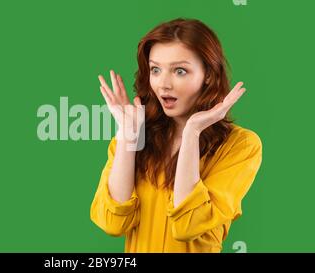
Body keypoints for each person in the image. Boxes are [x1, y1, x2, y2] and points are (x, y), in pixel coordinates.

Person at [90, 18, 263, 253]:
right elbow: (112, 223)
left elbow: (187, 225)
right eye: (155, 69)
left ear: (209, 75)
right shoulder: (132, 139)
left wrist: (192, 132)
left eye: (180, 71)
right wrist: (128, 138)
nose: (163, 84)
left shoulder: (241, 146)